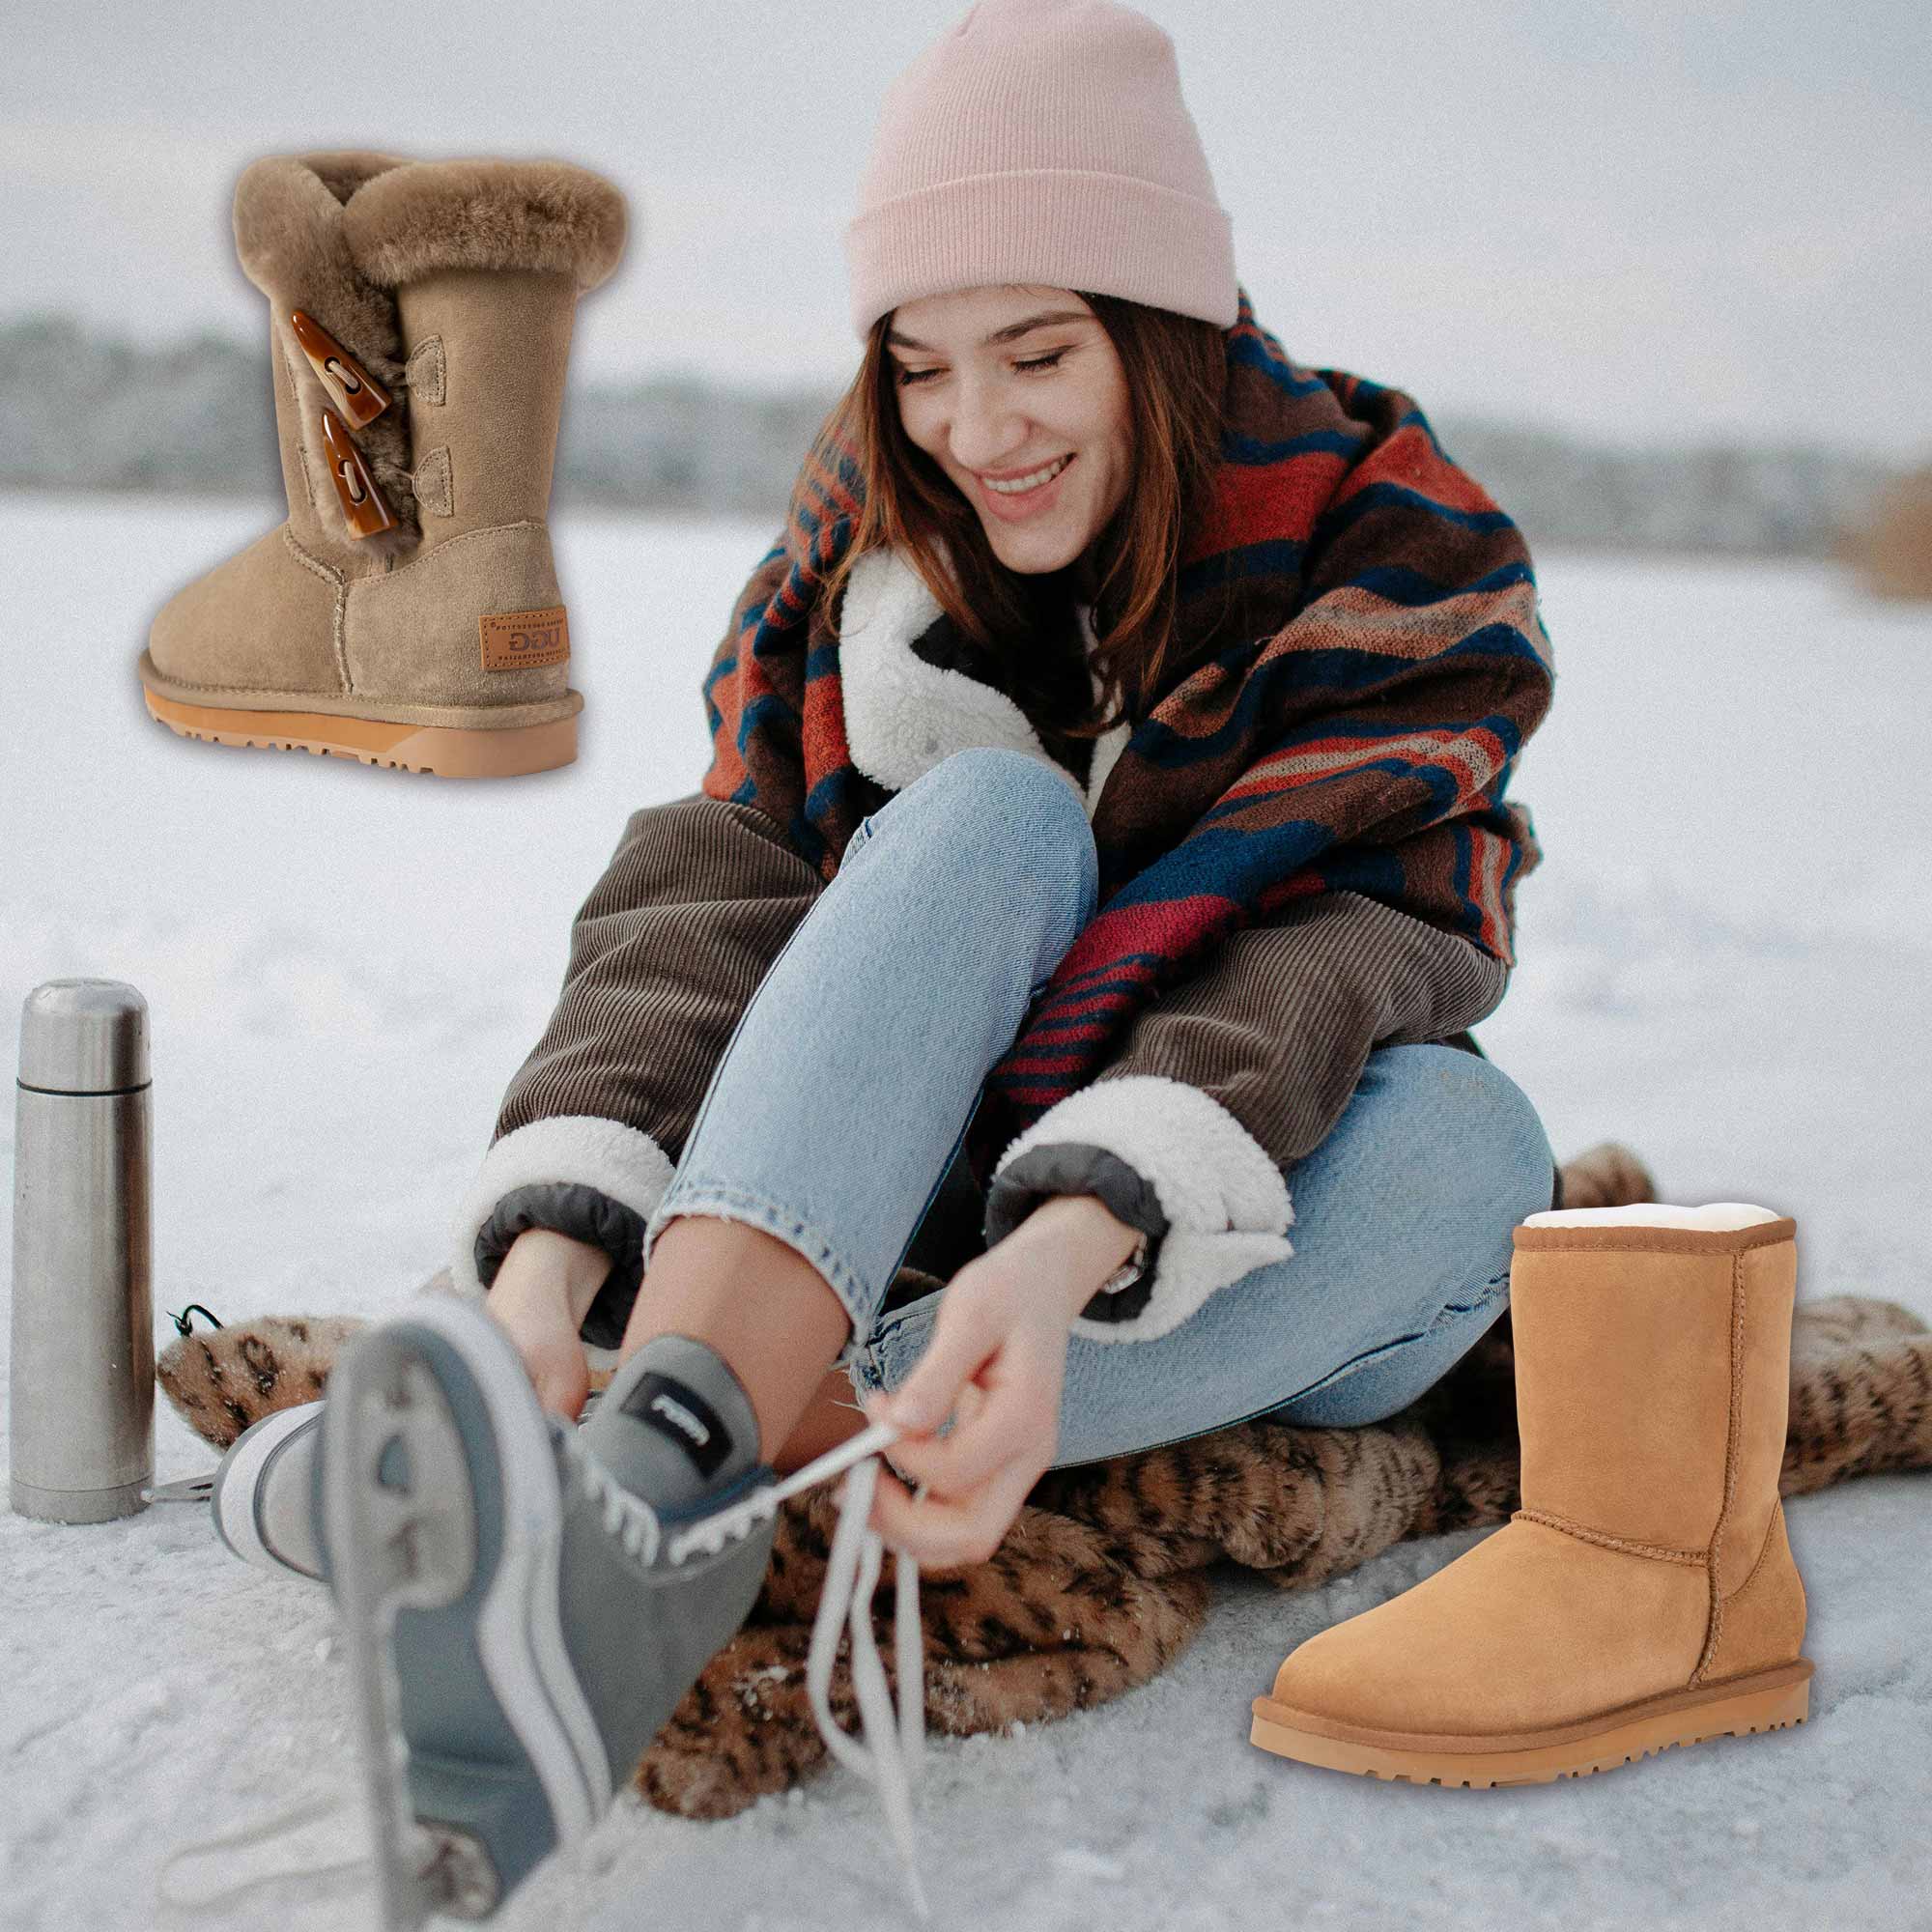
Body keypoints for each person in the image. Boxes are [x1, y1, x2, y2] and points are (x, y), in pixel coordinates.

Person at [313, 1, 1559, 1920]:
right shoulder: (863, 550)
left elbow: (1356, 949)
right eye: (922, 365)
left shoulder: (1387, 547)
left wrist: (1065, 1253)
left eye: (1040, 354)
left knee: (1479, 1157)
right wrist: (552, 1246)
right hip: (886, 1179)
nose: (975, 430)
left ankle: (713, 1435)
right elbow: (718, 893)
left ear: (1166, 329)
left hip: (1221, 1224)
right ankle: (652, 1466)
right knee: (989, 818)